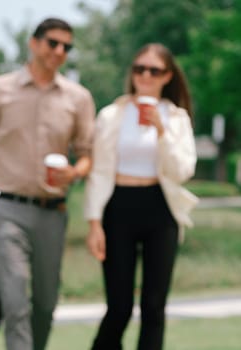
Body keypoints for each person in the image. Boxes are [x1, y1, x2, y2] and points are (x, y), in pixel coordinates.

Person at [0, 17, 95, 350]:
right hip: (6, 210)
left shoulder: (78, 98)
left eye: (66, 47)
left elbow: (87, 155)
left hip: (51, 212)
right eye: (53, 43)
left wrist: (75, 172)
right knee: (15, 300)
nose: (59, 51)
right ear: (34, 42)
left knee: (45, 303)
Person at [84, 43, 199, 350]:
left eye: (154, 70)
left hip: (160, 209)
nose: (145, 75)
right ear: (132, 73)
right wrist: (94, 222)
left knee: (154, 306)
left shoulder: (177, 118)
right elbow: (99, 173)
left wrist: (162, 132)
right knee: (119, 307)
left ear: (167, 76)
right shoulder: (110, 115)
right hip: (118, 207)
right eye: (139, 69)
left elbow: (182, 171)